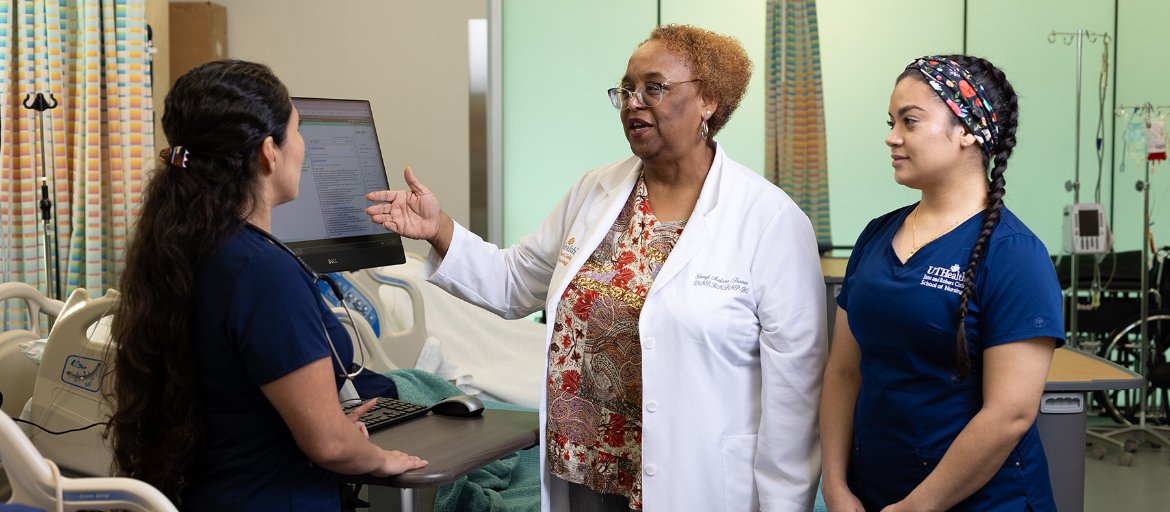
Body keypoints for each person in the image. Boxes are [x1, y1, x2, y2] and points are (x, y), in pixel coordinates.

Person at [365, 24, 825, 512]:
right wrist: (440, 228)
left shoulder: (768, 219)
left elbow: (794, 393)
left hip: (697, 480)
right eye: (626, 89)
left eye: (654, 86)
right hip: (584, 470)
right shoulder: (595, 191)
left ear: (709, 100)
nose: (633, 102)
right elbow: (514, 282)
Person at [106, 60, 426, 510]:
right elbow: (329, 446)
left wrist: (334, 427)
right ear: (267, 153)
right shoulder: (264, 272)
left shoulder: (185, 247)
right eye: (297, 132)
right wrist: (377, 456)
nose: (302, 146)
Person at [819, 55, 1064, 512]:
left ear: (968, 131)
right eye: (891, 122)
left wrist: (917, 507)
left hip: (983, 501)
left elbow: (1009, 414)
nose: (892, 137)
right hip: (871, 491)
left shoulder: (1014, 254)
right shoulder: (876, 236)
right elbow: (843, 371)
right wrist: (834, 485)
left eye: (909, 121)